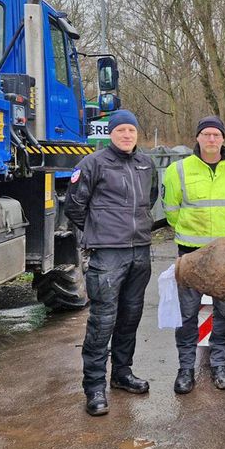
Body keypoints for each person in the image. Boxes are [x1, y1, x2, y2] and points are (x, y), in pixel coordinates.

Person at [65, 109, 157, 416]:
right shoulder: (93, 164)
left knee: (130, 317)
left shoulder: (147, 164)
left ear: (137, 134)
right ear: (111, 133)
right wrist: (98, 232)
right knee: (103, 321)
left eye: (131, 130)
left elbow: (151, 198)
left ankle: (122, 373)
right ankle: (94, 387)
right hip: (108, 253)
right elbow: (75, 206)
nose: (127, 135)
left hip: (140, 251)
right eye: (121, 131)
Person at [163, 116, 225, 395]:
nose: (211, 140)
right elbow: (171, 211)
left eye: (216, 135)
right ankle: (185, 369)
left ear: (224, 139)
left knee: (224, 313)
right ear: (197, 138)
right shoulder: (178, 170)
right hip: (191, 255)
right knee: (187, 315)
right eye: (206, 134)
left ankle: (219, 363)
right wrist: (191, 238)